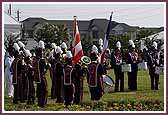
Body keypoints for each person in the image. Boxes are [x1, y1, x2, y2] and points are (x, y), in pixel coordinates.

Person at [32, 40, 49, 107]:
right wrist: (48, 65)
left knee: (39, 90)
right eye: (42, 51)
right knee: (45, 89)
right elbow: (44, 67)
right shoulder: (41, 60)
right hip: (41, 76)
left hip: (37, 77)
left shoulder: (35, 59)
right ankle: (42, 103)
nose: (43, 52)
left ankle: (39, 102)